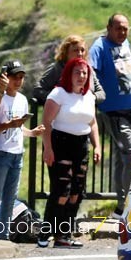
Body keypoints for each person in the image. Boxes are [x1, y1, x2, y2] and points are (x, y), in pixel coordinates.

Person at [40, 57, 101, 248]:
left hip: (81, 146)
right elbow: (46, 123)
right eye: (77, 72)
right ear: (69, 74)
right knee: (62, 191)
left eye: (84, 73)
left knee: (77, 192)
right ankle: (46, 232)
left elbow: (92, 123)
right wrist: (48, 148)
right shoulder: (58, 94)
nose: (81, 76)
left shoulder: (89, 96)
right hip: (61, 143)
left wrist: (97, 146)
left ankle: (63, 235)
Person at [0, 59, 45, 240]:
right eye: (14, 77)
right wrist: (9, 122)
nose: (18, 81)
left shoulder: (23, 99)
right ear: (5, 77)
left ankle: (3, 236)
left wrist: (32, 133)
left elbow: (18, 127)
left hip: (17, 153)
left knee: (10, 199)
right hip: (0, 152)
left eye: (21, 77)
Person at [88, 13, 131, 219]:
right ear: (108, 27)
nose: (122, 32)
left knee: (123, 159)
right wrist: (95, 95)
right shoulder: (99, 47)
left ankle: (120, 206)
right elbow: (90, 70)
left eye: (126, 28)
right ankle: (127, 205)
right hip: (114, 112)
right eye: (118, 28)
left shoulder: (125, 42)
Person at [34, 35, 105, 105]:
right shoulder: (58, 68)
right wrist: (57, 98)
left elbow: (101, 93)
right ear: (66, 52)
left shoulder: (88, 69)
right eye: (75, 50)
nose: (80, 54)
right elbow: (38, 90)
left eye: (82, 50)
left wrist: (92, 98)